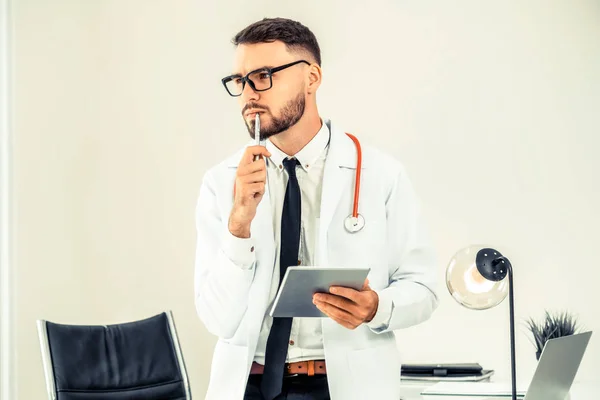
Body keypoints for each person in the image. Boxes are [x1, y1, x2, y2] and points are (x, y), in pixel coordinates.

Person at [194, 17, 438, 400]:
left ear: (312, 78)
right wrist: (239, 223)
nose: (249, 94)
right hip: (248, 386)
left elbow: (423, 289)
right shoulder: (222, 183)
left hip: (342, 385)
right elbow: (217, 318)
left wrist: (377, 307)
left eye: (263, 75)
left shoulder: (380, 175)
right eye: (240, 81)